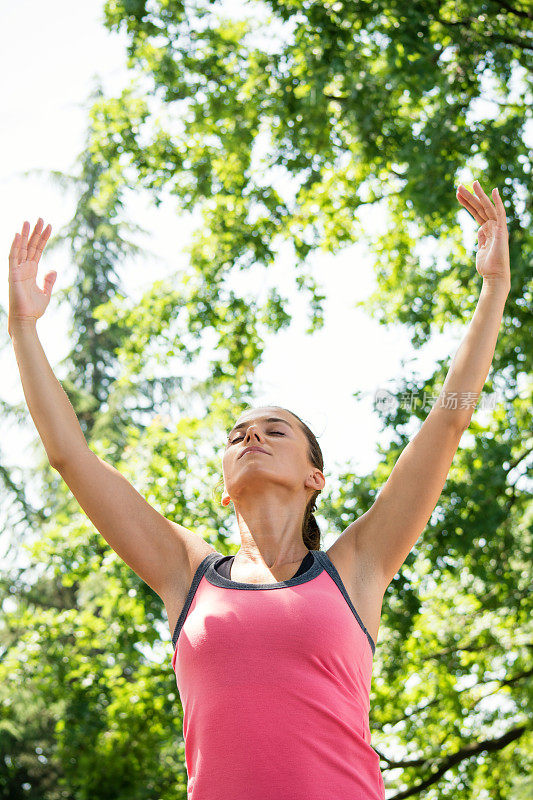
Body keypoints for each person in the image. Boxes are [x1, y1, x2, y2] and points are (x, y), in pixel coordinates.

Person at [7, 179, 510, 798]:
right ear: (224, 488)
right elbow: (70, 455)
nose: (251, 437)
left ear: (314, 477)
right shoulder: (184, 572)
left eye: (274, 430)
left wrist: (494, 289)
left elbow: (450, 418)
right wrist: (24, 328)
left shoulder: (357, 566)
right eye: (237, 434)